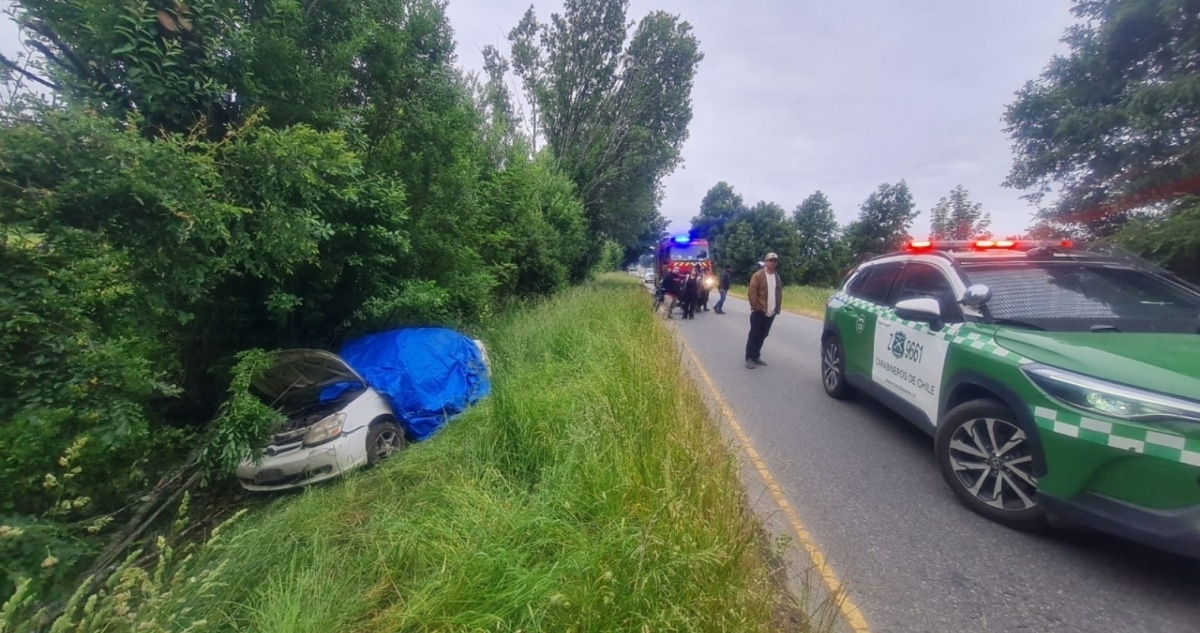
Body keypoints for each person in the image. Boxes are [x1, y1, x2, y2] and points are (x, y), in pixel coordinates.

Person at [744, 252, 782, 368]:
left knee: (763, 334)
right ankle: (749, 358)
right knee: (754, 334)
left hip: (771, 311)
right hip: (759, 311)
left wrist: (777, 308)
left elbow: (778, 292)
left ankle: (756, 355)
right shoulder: (758, 275)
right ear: (766, 262)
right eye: (771, 260)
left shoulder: (776, 276)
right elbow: (752, 292)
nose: (773, 263)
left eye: (775, 261)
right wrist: (756, 307)